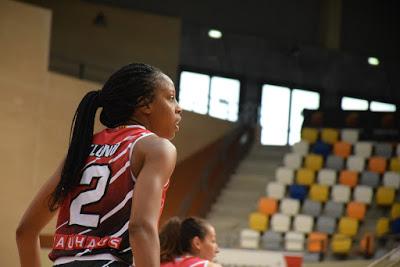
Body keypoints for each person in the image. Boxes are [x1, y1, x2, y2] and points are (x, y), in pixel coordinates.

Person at [16, 63, 182, 267]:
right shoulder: (155, 148)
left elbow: (25, 231)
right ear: (144, 104)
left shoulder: (80, 150)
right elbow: (140, 228)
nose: (178, 107)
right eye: (171, 97)